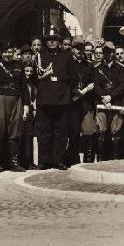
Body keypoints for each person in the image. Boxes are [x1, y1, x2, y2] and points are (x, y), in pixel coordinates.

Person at [35, 29, 78, 170]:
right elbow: (36, 79)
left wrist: (63, 89)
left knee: (61, 133)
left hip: (62, 100)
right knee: (44, 132)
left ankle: (59, 160)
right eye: (49, 39)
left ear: (59, 41)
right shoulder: (40, 56)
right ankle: (44, 161)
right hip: (45, 100)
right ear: (46, 42)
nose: (52, 42)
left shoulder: (67, 57)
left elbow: (73, 77)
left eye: (54, 39)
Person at [0, 42, 30, 173]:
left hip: (17, 99)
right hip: (0, 98)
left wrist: (26, 104)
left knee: (15, 131)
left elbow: (24, 86)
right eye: (5, 52)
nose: (8, 54)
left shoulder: (19, 65)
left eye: (10, 52)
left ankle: (14, 163)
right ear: (1, 53)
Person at [93, 42, 124, 161]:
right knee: (101, 132)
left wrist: (110, 97)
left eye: (110, 52)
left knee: (115, 132)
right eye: (105, 52)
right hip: (102, 105)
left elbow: (122, 85)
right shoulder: (97, 69)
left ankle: (115, 160)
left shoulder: (120, 69)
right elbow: (96, 85)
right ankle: (102, 159)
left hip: (116, 103)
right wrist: (104, 97)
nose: (108, 54)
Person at [68, 40, 97, 164]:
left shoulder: (89, 66)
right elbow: (66, 83)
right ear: (73, 50)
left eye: (82, 49)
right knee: (74, 132)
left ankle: (88, 158)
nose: (80, 51)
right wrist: (74, 94)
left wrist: (84, 92)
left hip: (86, 103)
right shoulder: (68, 64)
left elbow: (93, 83)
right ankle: (73, 159)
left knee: (88, 131)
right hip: (73, 103)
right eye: (77, 49)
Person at [21, 63, 38, 169]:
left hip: (31, 111)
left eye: (31, 71)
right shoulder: (21, 83)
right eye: (26, 71)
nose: (29, 73)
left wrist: (35, 108)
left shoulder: (32, 84)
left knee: (30, 136)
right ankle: (24, 162)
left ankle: (30, 161)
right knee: (24, 136)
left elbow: (34, 97)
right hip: (22, 111)